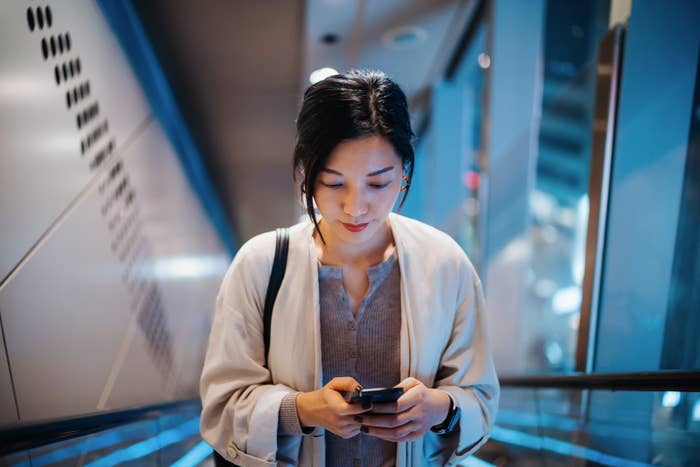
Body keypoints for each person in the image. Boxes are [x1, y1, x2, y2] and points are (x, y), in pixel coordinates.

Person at [200, 70, 499, 467]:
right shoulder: (259, 265)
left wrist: (440, 408)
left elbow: (479, 396)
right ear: (307, 176)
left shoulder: (445, 264)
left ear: (404, 172)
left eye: (378, 184)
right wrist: (303, 410)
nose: (356, 207)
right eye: (334, 183)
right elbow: (222, 407)